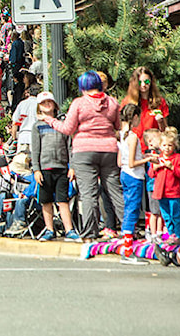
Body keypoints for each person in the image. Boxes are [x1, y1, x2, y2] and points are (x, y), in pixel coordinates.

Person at [39, 70, 123, 241]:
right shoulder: (112, 102)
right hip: (108, 149)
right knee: (115, 191)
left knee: (89, 194)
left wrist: (50, 121)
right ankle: (129, 229)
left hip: (84, 151)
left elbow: (67, 129)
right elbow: (117, 125)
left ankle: (89, 234)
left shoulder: (79, 103)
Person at [30, 92, 79, 243]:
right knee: (46, 202)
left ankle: (69, 229)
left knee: (62, 200)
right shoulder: (37, 126)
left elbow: (70, 147)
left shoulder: (62, 124)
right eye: (43, 102)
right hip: (44, 169)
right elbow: (35, 150)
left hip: (62, 168)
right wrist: (36, 169)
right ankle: (49, 229)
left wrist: (73, 167)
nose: (47, 104)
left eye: (49, 102)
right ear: (39, 107)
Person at [118, 103, 150, 262]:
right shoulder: (133, 137)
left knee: (128, 208)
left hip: (124, 174)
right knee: (132, 210)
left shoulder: (122, 134)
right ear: (135, 117)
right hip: (134, 176)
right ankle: (128, 252)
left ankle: (127, 246)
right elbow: (132, 162)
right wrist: (147, 159)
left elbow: (120, 161)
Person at [151, 127, 180, 242]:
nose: (167, 148)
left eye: (170, 145)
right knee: (166, 216)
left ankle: (178, 235)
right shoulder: (158, 158)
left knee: (175, 215)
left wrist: (172, 167)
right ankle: (171, 234)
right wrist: (156, 168)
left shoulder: (177, 158)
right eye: (164, 145)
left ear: (174, 146)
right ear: (160, 146)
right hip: (161, 193)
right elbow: (150, 174)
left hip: (173, 193)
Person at [122, 66, 169, 139]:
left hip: (153, 145)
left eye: (147, 82)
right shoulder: (127, 102)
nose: (143, 85)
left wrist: (160, 122)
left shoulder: (160, 102)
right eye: (140, 82)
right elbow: (123, 127)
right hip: (134, 145)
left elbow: (165, 130)